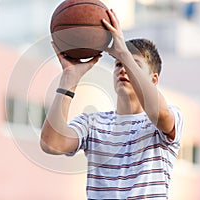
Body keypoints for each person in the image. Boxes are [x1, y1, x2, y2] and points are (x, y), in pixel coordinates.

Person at [40, 9, 183, 200]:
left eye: (133, 63)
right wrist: (68, 79)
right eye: (118, 65)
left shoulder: (168, 118)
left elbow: (160, 113)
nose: (123, 69)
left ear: (153, 79)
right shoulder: (93, 123)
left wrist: (123, 52)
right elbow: (51, 144)